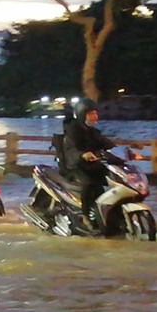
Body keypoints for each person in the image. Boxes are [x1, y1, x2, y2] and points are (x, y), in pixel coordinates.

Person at [63, 98, 115, 230]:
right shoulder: (72, 130)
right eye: (91, 114)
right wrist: (82, 154)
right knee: (89, 183)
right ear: (82, 114)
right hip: (75, 166)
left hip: (92, 165)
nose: (95, 117)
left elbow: (107, 144)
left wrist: (128, 150)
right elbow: (71, 149)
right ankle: (85, 215)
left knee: (111, 180)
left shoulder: (92, 132)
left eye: (96, 113)